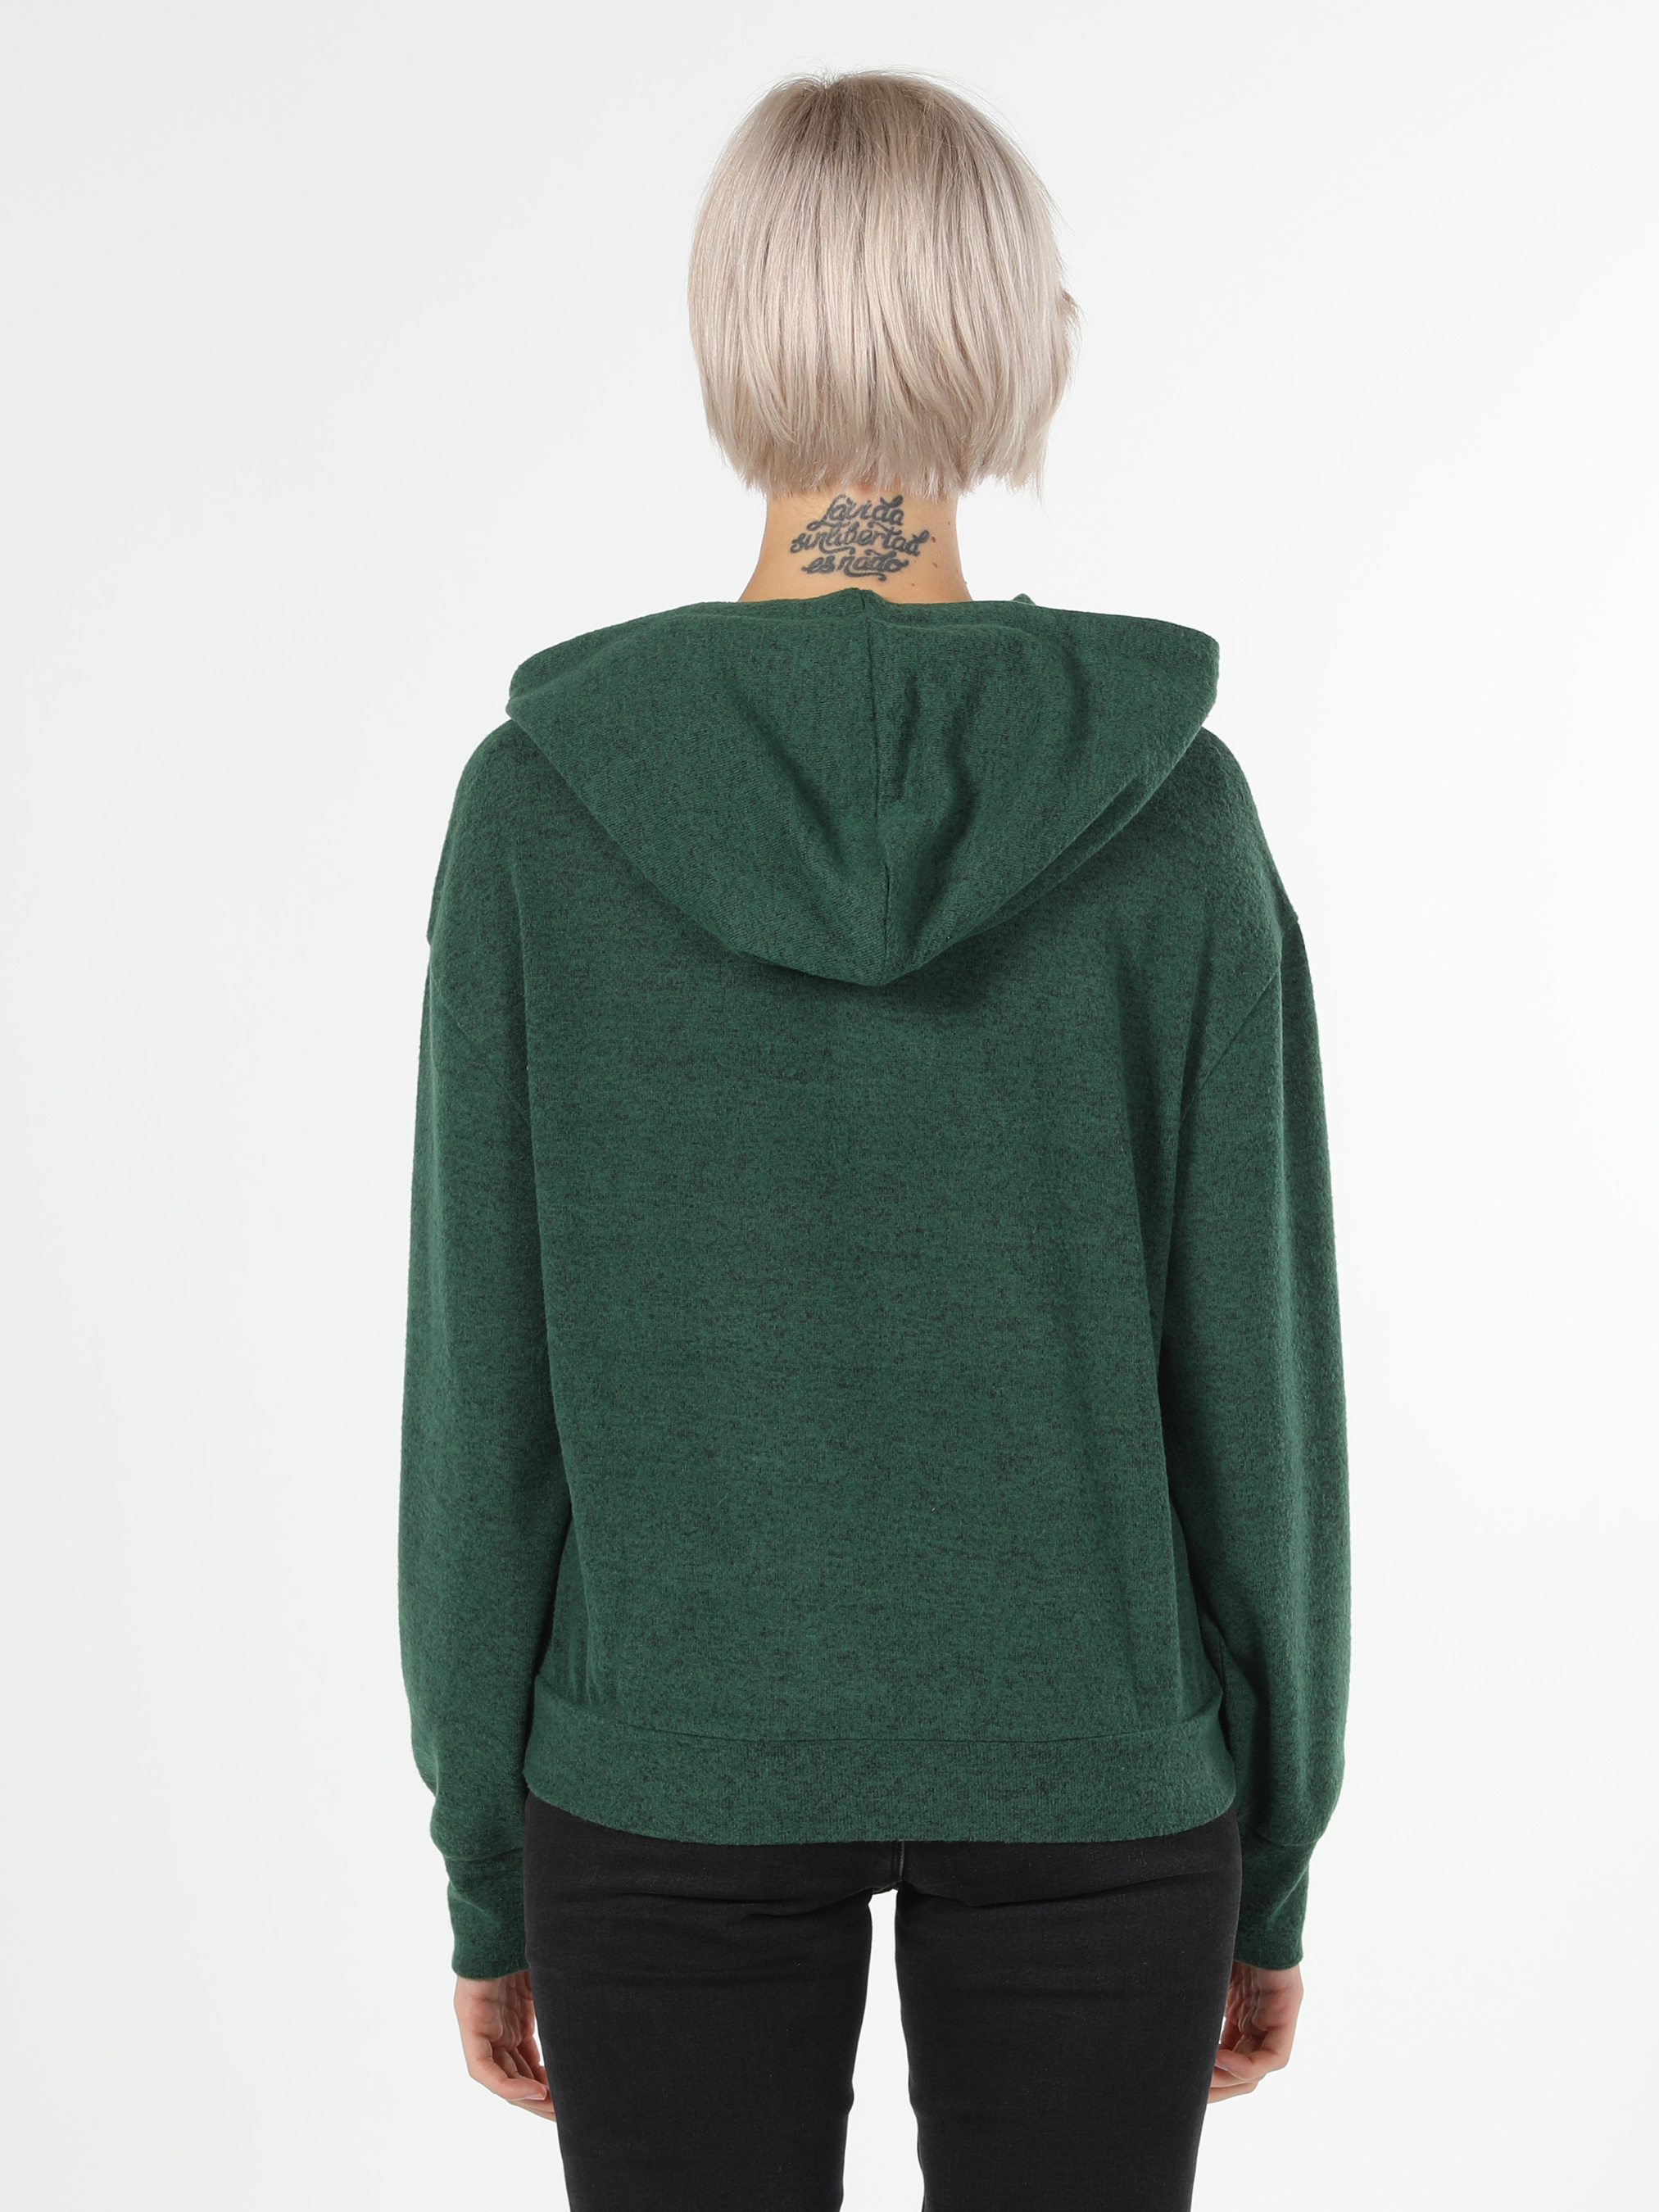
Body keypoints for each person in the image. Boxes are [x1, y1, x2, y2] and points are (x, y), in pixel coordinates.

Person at [398, 68, 1350, 2212]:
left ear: (727, 332)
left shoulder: (546, 811)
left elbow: (483, 1404)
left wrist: (485, 1863)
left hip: (660, 1771)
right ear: (1018, 339)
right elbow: (1258, 1398)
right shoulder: (1172, 817)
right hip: (1098, 1774)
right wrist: (1275, 1845)